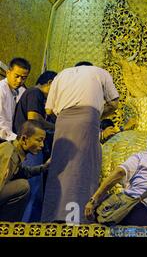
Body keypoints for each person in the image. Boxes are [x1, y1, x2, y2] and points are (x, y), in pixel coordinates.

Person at [41, 62, 119, 223]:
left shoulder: (61, 74)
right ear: (90, 66)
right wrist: (98, 114)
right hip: (88, 119)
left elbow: (48, 110)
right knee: (84, 166)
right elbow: (114, 103)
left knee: (60, 166)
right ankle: (78, 219)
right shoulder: (100, 72)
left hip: (63, 121)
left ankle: (54, 217)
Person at [84, 130, 147, 227]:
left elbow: (119, 172)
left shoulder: (142, 157)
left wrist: (94, 199)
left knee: (101, 212)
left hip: (130, 211)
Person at [12, 70, 57, 222]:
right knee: (32, 192)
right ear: (50, 83)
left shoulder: (39, 98)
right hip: (30, 151)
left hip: (32, 152)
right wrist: (57, 127)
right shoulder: (34, 93)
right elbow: (34, 119)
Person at [0, 120, 49, 221]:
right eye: (39, 140)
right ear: (24, 139)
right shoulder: (9, 151)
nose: (42, 145)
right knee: (23, 186)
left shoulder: (15, 152)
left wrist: (44, 167)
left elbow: (23, 172)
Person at [0, 58, 31, 141]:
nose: (19, 81)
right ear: (8, 73)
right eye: (16, 76)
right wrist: (16, 139)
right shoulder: (1, 90)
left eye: (23, 78)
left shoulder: (16, 92)